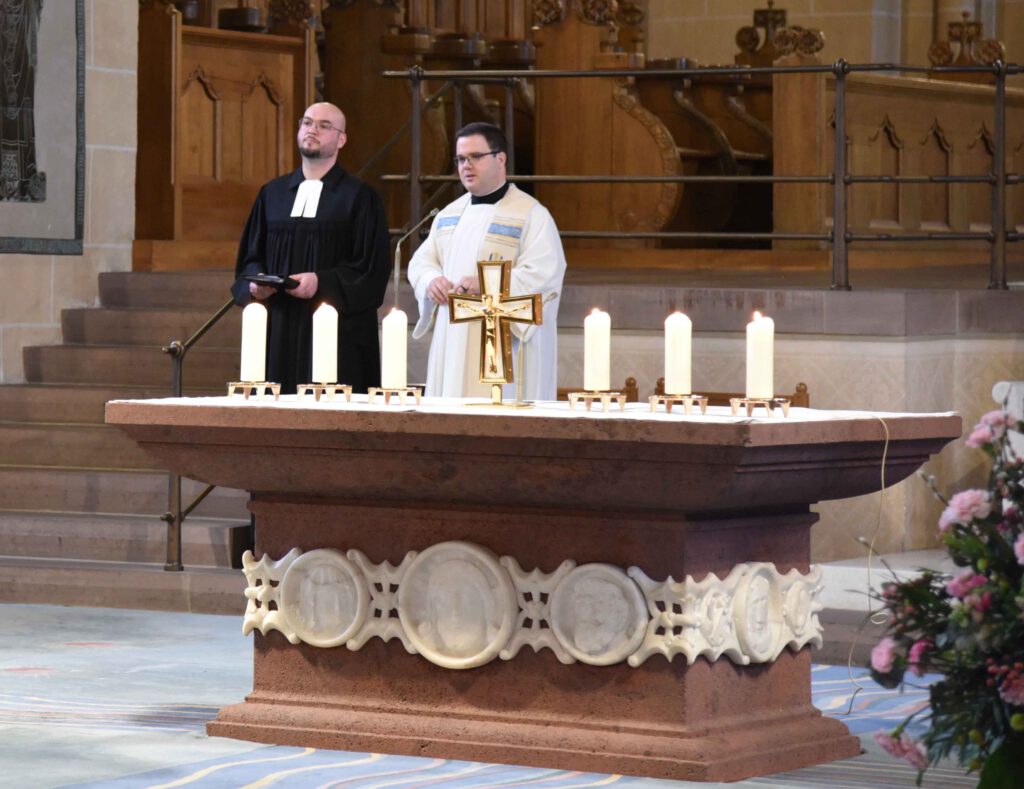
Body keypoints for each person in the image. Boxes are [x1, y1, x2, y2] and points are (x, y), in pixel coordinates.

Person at [231, 102, 390, 394]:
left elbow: (371, 268)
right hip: (278, 329)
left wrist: (322, 281)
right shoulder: (272, 193)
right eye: (306, 122)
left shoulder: (360, 197)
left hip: (337, 332)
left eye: (324, 125)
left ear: (341, 139)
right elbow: (250, 258)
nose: (312, 129)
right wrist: (256, 286)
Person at [407, 122, 566, 400]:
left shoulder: (531, 214)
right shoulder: (448, 215)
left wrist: (488, 285)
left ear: (500, 158)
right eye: (460, 159)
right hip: (455, 341)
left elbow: (546, 274)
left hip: (504, 345)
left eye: (475, 157)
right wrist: (431, 281)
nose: (466, 165)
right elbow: (422, 261)